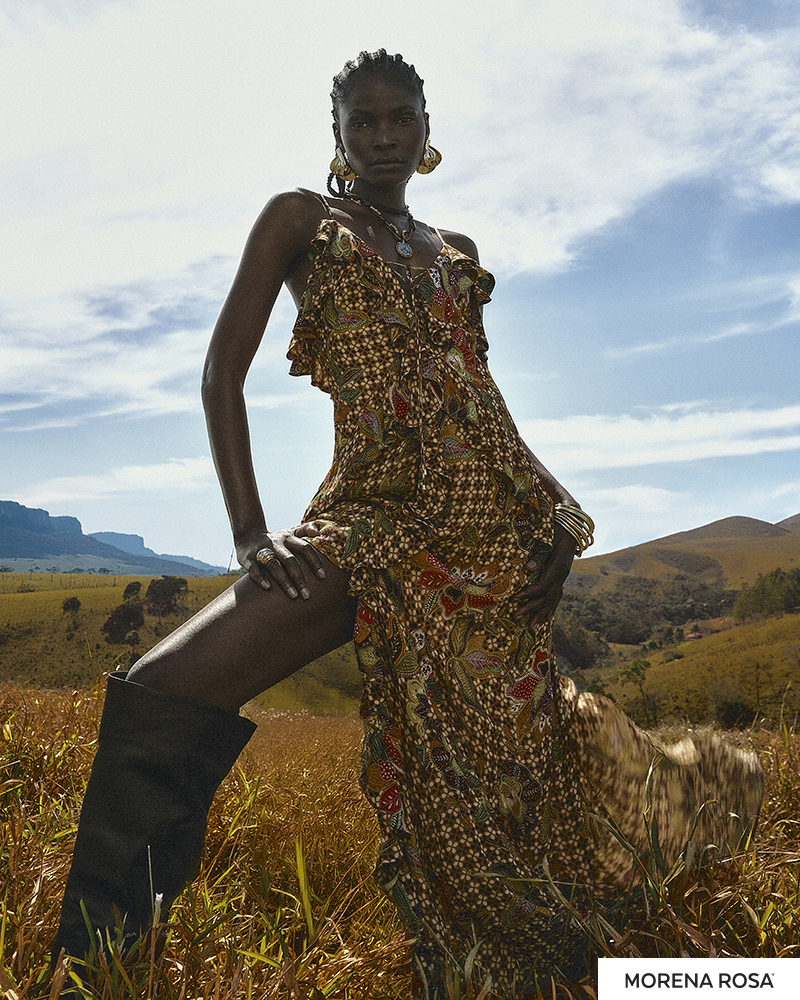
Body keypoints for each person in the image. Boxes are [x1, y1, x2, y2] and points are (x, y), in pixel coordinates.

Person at [50, 50, 764, 998]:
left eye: (402, 119)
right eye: (364, 120)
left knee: (498, 774)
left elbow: (478, 397)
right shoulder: (300, 219)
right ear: (337, 131)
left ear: (428, 128)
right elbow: (222, 374)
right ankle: (95, 967)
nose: (384, 136)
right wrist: (251, 535)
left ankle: (617, 913)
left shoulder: (454, 250)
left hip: (488, 528)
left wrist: (556, 505)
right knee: (162, 688)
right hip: (371, 515)